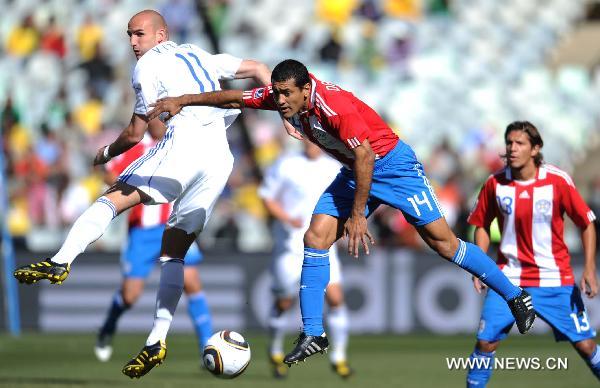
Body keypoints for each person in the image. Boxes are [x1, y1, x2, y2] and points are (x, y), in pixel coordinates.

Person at [146, 59, 536, 366]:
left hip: (393, 168)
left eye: (285, 95)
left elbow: (365, 154)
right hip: (356, 169)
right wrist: (183, 101)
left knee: (446, 245)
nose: (279, 102)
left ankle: (515, 295)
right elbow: (233, 99)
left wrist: (358, 214)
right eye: (276, 94)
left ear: (304, 88)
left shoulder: (334, 107)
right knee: (314, 238)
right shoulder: (287, 96)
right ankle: (314, 332)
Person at [14, 9, 272, 378]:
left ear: (160, 35)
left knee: (114, 197)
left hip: (184, 145)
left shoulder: (147, 66)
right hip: (220, 158)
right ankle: (156, 339)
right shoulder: (199, 54)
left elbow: (137, 132)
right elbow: (260, 68)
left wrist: (105, 153)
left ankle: (61, 259)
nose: (134, 43)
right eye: (130, 35)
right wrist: (289, 118)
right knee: (174, 253)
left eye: (139, 34)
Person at [465, 121, 599, 386]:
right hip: (507, 279)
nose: (512, 149)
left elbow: (586, 223)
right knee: (485, 342)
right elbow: (481, 224)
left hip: (554, 277)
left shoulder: (557, 181)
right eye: (509, 143)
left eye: (520, 143)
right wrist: (479, 266)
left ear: (536, 149)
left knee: (586, 346)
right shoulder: (495, 183)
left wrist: (590, 268)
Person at [94, 124, 212, 365]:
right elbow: (108, 173)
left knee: (191, 282)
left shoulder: (180, 141)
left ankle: (206, 347)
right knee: (130, 296)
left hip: (174, 225)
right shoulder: (137, 146)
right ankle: (107, 327)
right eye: (160, 117)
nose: (164, 121)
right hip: (143, 232)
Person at [259, 138, 352, 378]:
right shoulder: (286, 164)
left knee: (336, 297)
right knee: (285, 302)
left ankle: (339, 357)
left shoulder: (333, 167)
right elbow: (267, 197)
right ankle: (276, 350)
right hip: (290, 245)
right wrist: (287, 218)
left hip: (324, 243)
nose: (312, 144)